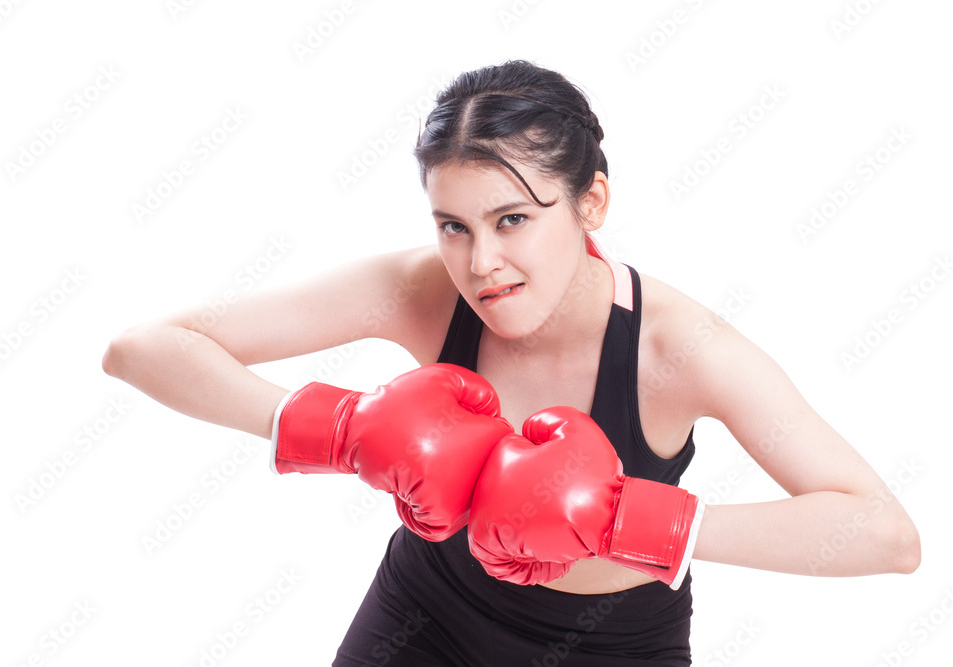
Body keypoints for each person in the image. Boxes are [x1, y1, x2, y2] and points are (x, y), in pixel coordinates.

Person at [102, 60, 921, 666]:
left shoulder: (679, 347)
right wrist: (341, 429)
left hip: (614, 647)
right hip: (426, 609)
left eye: (513, 218)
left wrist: (629, 522)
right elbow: (141, 349)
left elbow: (885, 534)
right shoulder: (422, 291)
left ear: (590, 202)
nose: (482, 261)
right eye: (452, 224)